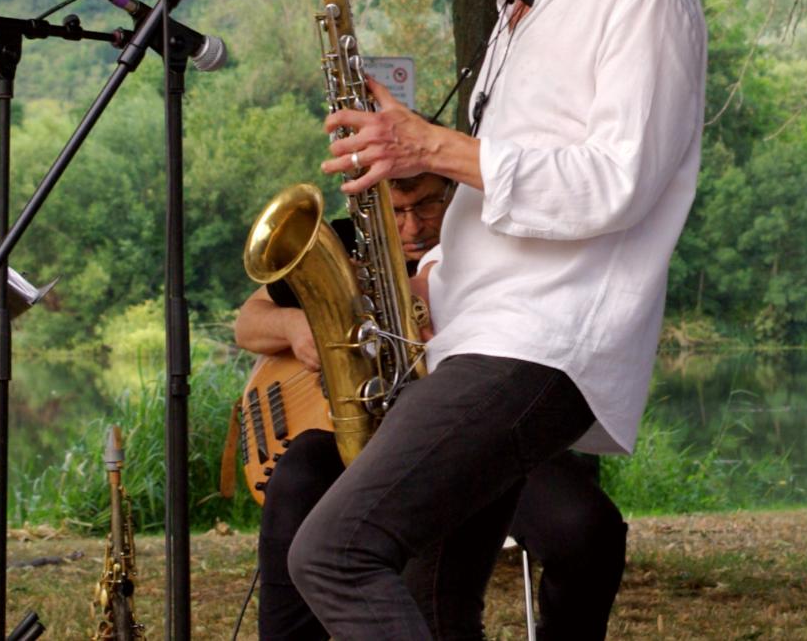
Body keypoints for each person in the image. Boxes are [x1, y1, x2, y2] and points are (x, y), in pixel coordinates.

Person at [285, 0, 707, 640]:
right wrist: (423, 284)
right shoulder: (522, 8)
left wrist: (432, 145)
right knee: (435, 606)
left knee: (334, 551)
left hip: (540, 343)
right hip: (477, 337)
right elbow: (505, 196)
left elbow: (614, 182)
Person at [234, 171, 627, 641]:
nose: (412, 226)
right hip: (368, 430)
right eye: (396, 212)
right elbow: (248, 322)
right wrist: (297, 326)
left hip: (477, 431)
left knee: (589, 529)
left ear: (453, 193)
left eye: (426, 206)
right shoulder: (345, 242)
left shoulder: (488, 245)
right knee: (297, 476)